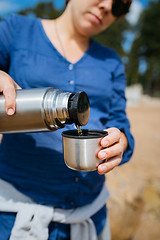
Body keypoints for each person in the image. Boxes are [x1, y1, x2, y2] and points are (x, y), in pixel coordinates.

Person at [0, 0, 134, 239]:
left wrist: (121, 141)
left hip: (92, 215)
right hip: (15, 216)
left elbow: (120, 123)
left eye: (119, 7)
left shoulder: (111, 62)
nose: (107, 7)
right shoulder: (16, 31)